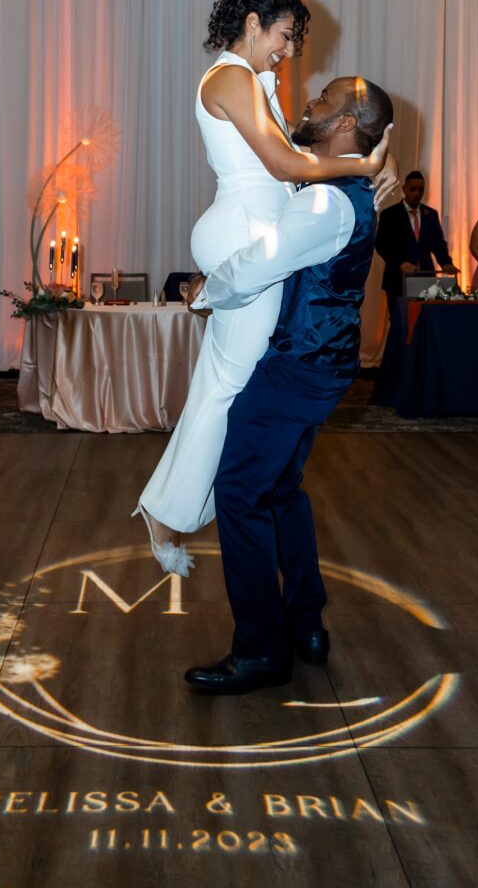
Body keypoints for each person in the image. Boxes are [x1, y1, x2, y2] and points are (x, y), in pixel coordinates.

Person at [134, 0, 396, 577]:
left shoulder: (253, 81)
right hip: (247, 228)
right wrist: (365, 162)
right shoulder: (229, 76)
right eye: (284, 36)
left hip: (253, 228)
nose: (288, 51)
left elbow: (307, 147)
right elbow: (282, 164)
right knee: (228, 389)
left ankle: (170, 508)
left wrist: (382, 155)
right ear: (253, 23)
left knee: (223, 385)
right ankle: (167, 512)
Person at [183, 75, 394, 694]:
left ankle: (259, 651)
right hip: (322, 362)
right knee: (279, 492)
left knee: (241, 491)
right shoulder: (346, 187)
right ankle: (306, 624)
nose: (309, 104)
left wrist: (206, 293)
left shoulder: (327, 201)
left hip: (298, 365)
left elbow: (260, 263)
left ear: (348, 125)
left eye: (324, 101)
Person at [375, 170, 456, 314]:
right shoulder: (390, 214)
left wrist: (446, 263)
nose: (417, 193)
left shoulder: (430, 214)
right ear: (404, 189)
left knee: (425, 318)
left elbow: (438, 243)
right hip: (397, 278)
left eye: (421, 189)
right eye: (413, 189)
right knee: (400, 321)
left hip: (425, 276)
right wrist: (400, 263)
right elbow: (381, 244)